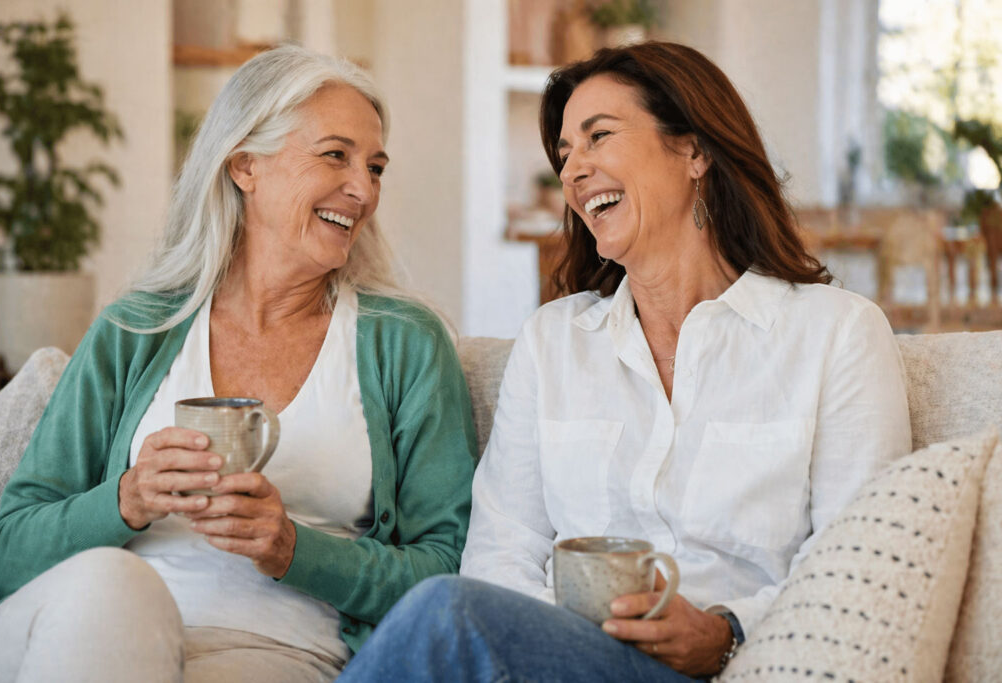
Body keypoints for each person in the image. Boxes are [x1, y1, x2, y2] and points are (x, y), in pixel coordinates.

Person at [338, 41, 911, 682]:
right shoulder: (552, 342)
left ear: (695, 150)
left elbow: (860, 567)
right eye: (565, 154)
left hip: (738, 665)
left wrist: (724, 631)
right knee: (453, 615)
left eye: (598, 137)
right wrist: (538, 644)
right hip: (560, 661)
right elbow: (501, 552)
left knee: (442, 613)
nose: (574, 171)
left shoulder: (836, 334)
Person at [0, 45, 476, 682]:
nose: (363, 189)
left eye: (375, 167)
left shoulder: (404, 343)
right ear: (245, 165)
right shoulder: (136, 329)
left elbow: (452, 570)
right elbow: (8, 553)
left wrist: (295, 549)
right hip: (81, 627)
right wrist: (127, 499)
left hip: (271, 653)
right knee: (113, 585)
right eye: (336, 155)